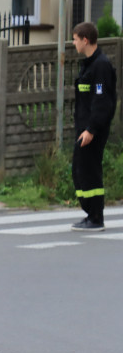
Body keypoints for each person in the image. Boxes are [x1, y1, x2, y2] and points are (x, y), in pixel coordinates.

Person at [70, 21, 117, 232]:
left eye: (75, 39)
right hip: (84, 129)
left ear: (85, 40)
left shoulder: (101, 66)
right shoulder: (89, 64)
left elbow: (102, 101)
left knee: (90, 171)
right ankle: (90, 213)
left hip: (92, 131)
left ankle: (96, 217)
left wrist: (91, 129)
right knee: (79, 170)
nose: (73, 43)